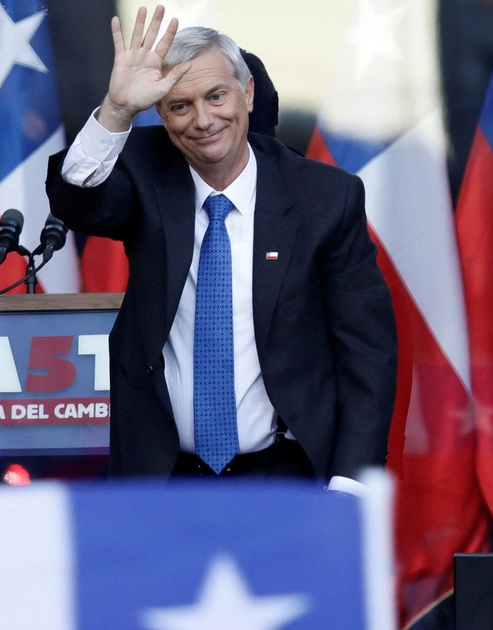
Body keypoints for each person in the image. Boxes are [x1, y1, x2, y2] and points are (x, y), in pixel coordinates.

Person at [45, 5, 397, 485]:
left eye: (216, 96)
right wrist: (117, 110)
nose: (203, 120)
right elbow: (76, 202)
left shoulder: (324, 198)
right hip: (164, 476)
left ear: (247, 93)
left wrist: (351, 485)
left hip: (286, 473)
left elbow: (367, 352)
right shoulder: (145, 172)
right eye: (180, 106)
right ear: (162, 115)